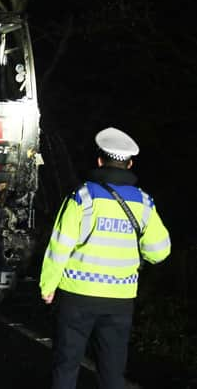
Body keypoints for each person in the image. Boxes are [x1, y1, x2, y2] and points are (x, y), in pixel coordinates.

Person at [39, 127, 171, 389]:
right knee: (112, 372)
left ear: (99, 160)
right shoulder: (144, 203)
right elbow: (160, 251)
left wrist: (48, 286)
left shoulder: (82, 197)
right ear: (130, 164)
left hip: (76, 297)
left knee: (66, 366)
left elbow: (60, 246)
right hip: (120, 301)